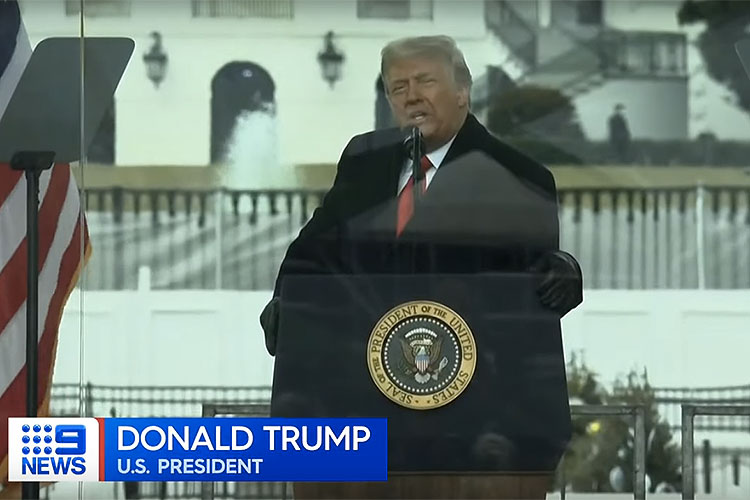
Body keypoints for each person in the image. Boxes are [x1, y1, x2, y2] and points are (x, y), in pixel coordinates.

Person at [260, 35, 583, 499]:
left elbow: (530, 280)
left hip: (465, 426)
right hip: (358, 412)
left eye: (425, 81)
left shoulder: (517, 175)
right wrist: (286, 299)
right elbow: (315, 247)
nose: (411, 96)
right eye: (398, 87)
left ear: (462, 90)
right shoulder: (364, 160)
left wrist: (563, 270)